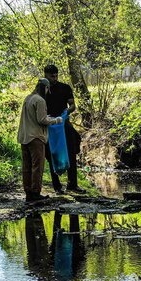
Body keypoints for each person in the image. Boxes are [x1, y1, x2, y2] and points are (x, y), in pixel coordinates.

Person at [18, 78, 64, 201]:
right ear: (45, 88)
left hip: (24, 136)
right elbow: (42, 120)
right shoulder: (40, 100)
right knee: (37, 166)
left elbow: (33, 117)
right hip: (36, 137)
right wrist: (56, 120)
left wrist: (45, 117)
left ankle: (28, 192)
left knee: (26, 166)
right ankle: (36, 193)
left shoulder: (28, 98)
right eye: (47, 89)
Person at [42, 64, 82, 192]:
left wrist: (66, 112)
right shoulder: (42, 90)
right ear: (45, 75)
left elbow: (72, 105)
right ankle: (57, 186)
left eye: (56, 75)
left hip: (64, 124)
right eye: (51, 76)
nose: (54, 78)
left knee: (71, 151)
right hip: (49, 125)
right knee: (52, 154)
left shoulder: (65, 88)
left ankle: (72, 184)